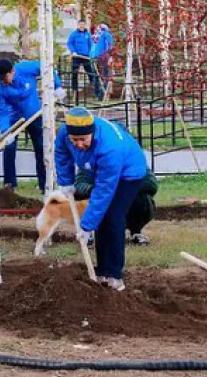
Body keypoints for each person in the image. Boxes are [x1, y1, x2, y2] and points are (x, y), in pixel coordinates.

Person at [54, 107, 150, 291]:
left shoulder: (110, 148)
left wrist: (87, 225)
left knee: (113, 216)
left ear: (92, 133)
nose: (79, 144)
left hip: (128, 173)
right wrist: (66, 181)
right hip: (100, 167)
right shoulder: (64, 133)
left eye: (83, 139)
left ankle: (114, 274)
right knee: (102, 217)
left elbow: (103, 191)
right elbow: (62, 154)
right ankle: (101, 270)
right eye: (75, 140)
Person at [0, 56, 62, 191]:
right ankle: (9, 184)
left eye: (4, 78)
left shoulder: (25, 69)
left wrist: (57, 86)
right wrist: (5, 131)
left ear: (12, 72)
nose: (2, 81)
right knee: (9, 147)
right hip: (13, 119)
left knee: (41, 147)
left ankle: (45, 184)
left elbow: (47, 66)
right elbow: (1, 111)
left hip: (34, 114)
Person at [67, 19, 101, 100]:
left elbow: (91, 44)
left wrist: (90, 53)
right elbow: (69, 43)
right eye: (80, 24)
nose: (82, 26)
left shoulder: (87, 34)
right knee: (74, 73)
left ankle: (94, 90)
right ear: (78, 25)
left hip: (85, 56)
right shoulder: (73, 34)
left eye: (83, 24)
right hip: (76, 56)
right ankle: (74, 91)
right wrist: (73, 51)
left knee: (90, 73)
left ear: (85, 25)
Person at [92, 23, 115, 90]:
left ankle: (98, 92)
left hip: (94, 57)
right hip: (102, 57)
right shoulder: (105, 33)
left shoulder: (94, 35)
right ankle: (102, 92)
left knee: (96, 75)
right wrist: (110, 55)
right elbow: (110, 44)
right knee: (104, 75)